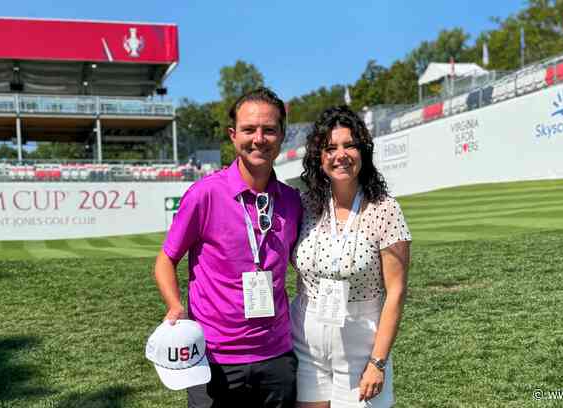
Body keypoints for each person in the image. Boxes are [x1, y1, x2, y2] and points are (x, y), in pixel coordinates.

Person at [153, 87, 303, 408]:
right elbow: (166, 259)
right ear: (234, 136)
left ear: (282, 136)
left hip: (277, 356)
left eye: (269, 130)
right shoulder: (204, 194)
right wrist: (174, 304)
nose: (259, 139)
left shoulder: (291, 200)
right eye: (249, 130)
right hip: (214, 358)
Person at [291, 105, 411, 407]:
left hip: (362, 345)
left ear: (363, 152)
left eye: (349, 145)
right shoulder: (305, 206)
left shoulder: (385, 209)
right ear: (319, 158)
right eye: (330, 148)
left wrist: (378, 362)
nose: (340, 155)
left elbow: (396, 292)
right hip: (305, 341)